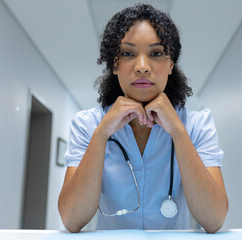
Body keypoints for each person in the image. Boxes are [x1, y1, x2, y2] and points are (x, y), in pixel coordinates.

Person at [58, 4, 228, 233]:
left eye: (156, 53)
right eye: (128, 53)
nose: (142, 67)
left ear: (170, 65)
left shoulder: (196, 125)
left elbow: (215, 219)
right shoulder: (88, 125)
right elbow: (71, 219)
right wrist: (101, 135)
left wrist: (178, 131)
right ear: (114, 65)